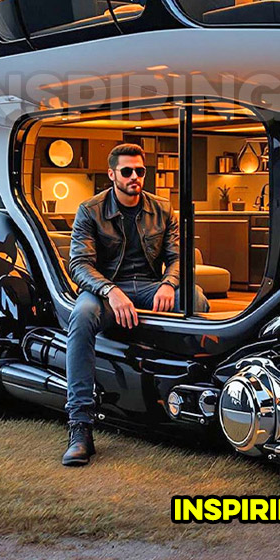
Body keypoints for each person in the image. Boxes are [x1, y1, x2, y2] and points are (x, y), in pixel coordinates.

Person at [62, 142, 209, 466]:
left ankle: (199, 394)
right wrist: (110, 290)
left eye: (140, 171)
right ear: (112, 174)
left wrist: (170, 284)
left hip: (148, 286)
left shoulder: (162, 209)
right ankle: (80, 427)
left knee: (195, 297)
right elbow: (79, 264)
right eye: (126, 171)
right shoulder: (90, 210)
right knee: (82, 316)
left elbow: (177, 258)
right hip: (104, 290)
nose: (134, 177)